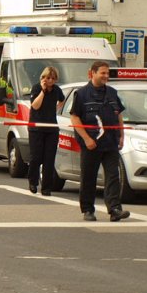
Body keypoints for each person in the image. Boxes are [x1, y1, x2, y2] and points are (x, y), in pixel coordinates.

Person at [70, 61, 130, 222]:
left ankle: (115, 209)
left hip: (110, 142)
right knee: (88, 178)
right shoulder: (82, 94)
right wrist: (87, 138)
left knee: (113, 176)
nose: (106, 76)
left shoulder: (112, 93)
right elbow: (75, 117)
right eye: (102, 73)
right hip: (92, 144)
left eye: (107, 73)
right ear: (93, 73)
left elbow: (118, 115)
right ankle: (88, 210)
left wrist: (122, 136)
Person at [27, 66, 65, 195]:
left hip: (51, 128)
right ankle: (33, 182)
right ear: (43, 78)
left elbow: (62, 99)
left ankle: (46, 187)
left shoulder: (57, 90)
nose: (50, 81)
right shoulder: (36, 88)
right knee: (35, 157)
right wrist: (43, 91)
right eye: (48, 78)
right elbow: (35, 106)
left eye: (53, 79)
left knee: (49, 159)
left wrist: (56, 108)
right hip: (36, 128)